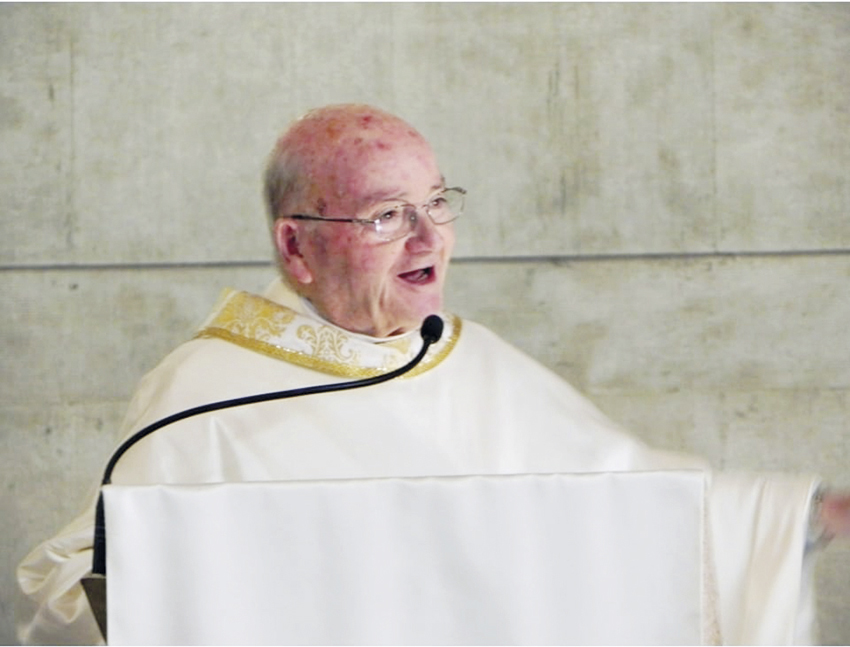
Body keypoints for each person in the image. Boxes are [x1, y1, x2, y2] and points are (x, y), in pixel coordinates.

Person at [17, 104, 850, 645]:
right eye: (386, 215)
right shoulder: (206, 391)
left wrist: (791, 516)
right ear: (296, 247)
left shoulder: (473, 360)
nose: (429, 238)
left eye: (438, 202)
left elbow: (630, 501)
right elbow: (79, 582)